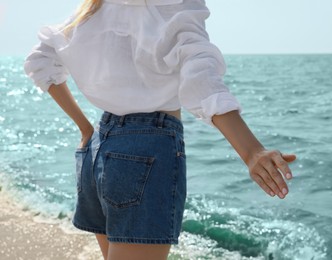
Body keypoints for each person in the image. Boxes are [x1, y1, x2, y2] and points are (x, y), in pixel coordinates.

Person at [24, 0, 296, 259]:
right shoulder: (173, 6)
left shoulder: (93, 8)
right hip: (147, 150)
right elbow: (200, 79)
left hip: (98, 150)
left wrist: (85, 128)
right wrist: (251, 151)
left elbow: (40, 60)